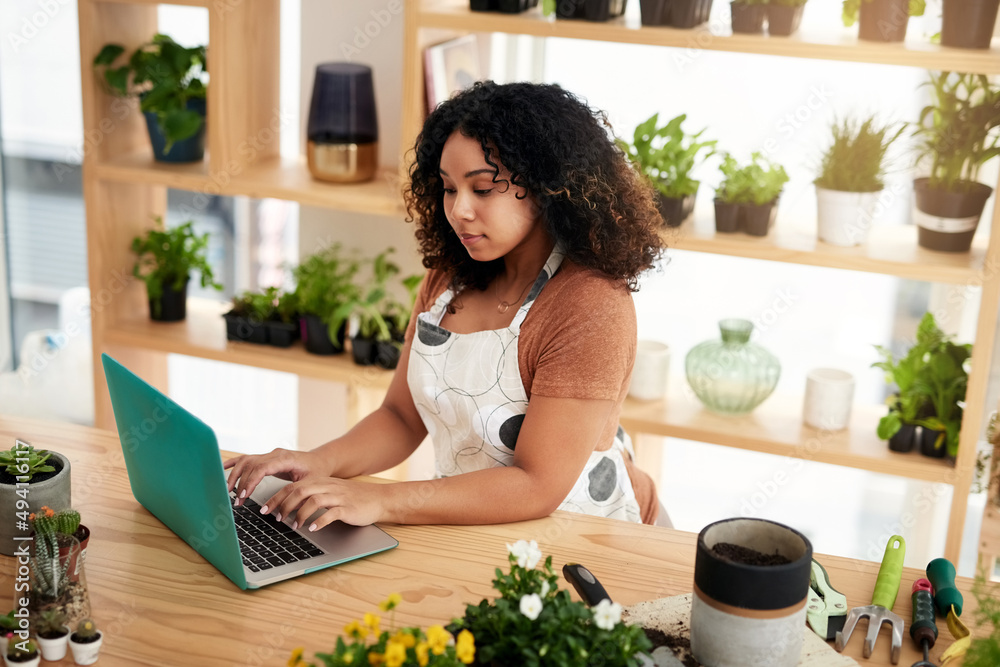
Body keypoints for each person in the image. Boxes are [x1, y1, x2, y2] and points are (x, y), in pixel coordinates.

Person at [224, 81, 668, 532]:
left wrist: (379, 499)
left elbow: (536, 484)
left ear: (547, 187)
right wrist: (313, 462)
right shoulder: (449, 280)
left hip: (591, 536)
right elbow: (400, 417)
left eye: (482, 189)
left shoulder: (591, 306)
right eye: (449, 188)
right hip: (471, 525)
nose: (459, 210)